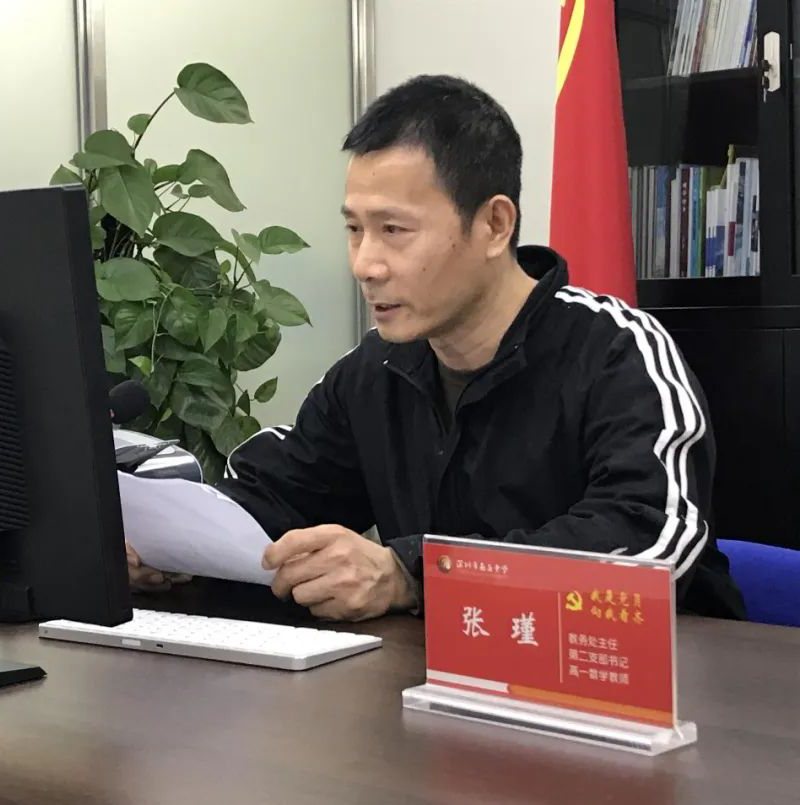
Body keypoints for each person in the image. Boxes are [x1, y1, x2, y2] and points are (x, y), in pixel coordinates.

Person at [127, 74, 745, 622]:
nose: (366, 264)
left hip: (644, 688)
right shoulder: (374, 372)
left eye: (394, 230)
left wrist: (413, 574)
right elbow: (272, 499)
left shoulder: (617, 353)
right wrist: (173, 547)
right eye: (354, 229)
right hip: (440, 687)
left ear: (495, 225)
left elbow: (648, 541)